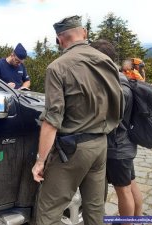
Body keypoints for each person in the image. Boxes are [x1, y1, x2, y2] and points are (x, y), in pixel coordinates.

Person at [31, 16, 123, 225]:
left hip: (72, 150)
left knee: (48, 211)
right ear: (84, 33)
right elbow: (119, 103)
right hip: (100, 145)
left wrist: (40, 161)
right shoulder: (107, 62)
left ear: (60, 39)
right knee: (95, 209)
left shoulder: (57, 67)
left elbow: (52, 119)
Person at [91, 40, 143, 225]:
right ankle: (136, 220)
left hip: (117, 147)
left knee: (123, 190)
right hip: (126, 144)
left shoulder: (115, 86)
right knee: (131, 184)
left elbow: (107, 118)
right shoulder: (122, 78)